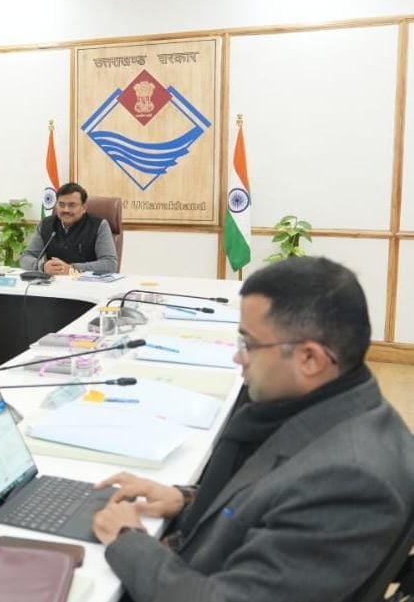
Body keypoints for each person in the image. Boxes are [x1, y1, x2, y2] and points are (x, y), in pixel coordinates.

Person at [92, 256, 414, 602]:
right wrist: (187, 501)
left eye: (249, 344)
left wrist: (128, 540)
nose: (238, 358)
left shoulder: (350, 479)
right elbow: (271, 496)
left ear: (310, 359)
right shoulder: (338, 406)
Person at [19, 182, 118, 275]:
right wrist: (42, 266)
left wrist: (72, 269)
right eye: (61, 204)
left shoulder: (99, 226)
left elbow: (110, 264)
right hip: (53, 284)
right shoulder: (46, 225)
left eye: (72, 205)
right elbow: (25, 258)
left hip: (87, 284)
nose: (66, 210)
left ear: (84, 208)